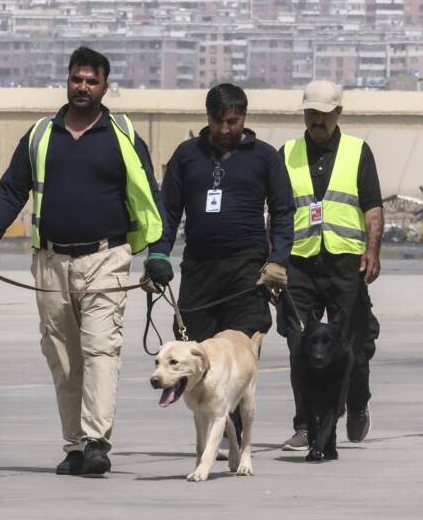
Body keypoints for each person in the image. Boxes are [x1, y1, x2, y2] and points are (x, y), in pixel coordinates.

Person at [0, 46, 167, 477]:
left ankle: (98, 441)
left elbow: (151, 196)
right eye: (77, 79)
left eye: (91, 81)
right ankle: (75, 445)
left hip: (106, 257)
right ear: (67, 80)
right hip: (51, 262)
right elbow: (11, 189)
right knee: (62, 357)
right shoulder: (42, 135)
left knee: (100, 348)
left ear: (104, 86)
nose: (83, 87)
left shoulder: (121, 135)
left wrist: (157, 252)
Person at [278, 80, 382, 451]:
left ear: (338, 112)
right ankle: (306, 424)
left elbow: (372, 206)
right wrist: (274, 260)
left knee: (352, 344)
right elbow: (275, 211)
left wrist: (373, 249)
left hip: (345, 263)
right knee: (298, 346)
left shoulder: (358, 151)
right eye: (310, 112)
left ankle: (355, 403)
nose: (316, 119)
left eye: (323, 113)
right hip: (300, 263)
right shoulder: (286, 153)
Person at [153, 83, 293, 342]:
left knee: (241, 357)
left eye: (232, 121)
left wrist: (279, 259)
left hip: (247, 271)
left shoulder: (265, 156)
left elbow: (283, 212)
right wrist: (158, 254)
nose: (225, 129)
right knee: (193, 352)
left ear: (244, 116)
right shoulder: (187, 155)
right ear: (207, 116)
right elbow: (168, 211)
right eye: (218, 121)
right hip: (199, 269)